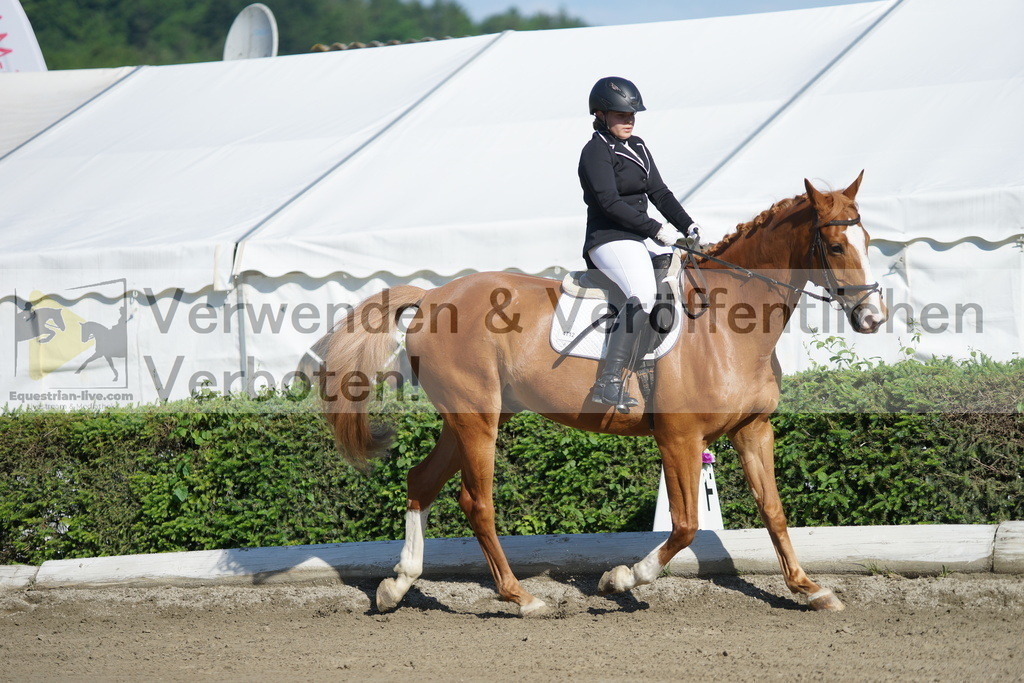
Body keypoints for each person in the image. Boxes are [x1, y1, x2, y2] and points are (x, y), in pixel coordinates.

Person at [579, 76, 701, 412]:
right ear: (601, 115)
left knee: (675, 280)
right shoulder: (595, 152)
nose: (628, 120)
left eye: (632, 114)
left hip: (637, 238)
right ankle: (608, 381)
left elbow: (659, 192)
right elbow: (609, 203)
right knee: (644, 294)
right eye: (621, 115)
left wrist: (686, 224)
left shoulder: (639, 146)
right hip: (609, 239)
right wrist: (657, 230)